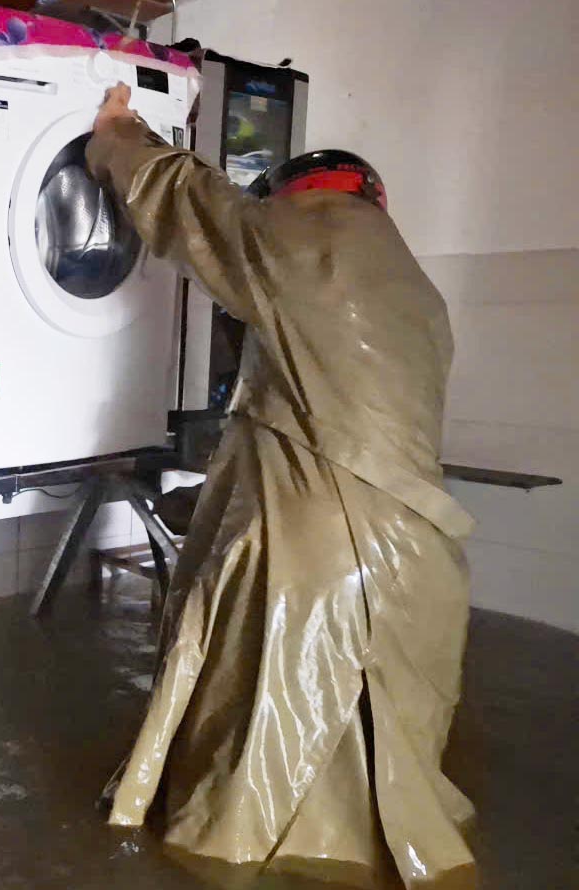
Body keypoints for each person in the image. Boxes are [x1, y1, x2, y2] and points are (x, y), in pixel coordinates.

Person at [87, 84, 476, 889]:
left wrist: (116, 134)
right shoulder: (417, 291)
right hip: (422, 568)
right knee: (386, 790)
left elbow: (187, 199)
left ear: (294, 197)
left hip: (316, 562)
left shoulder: (308, 237)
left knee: (246, 798)